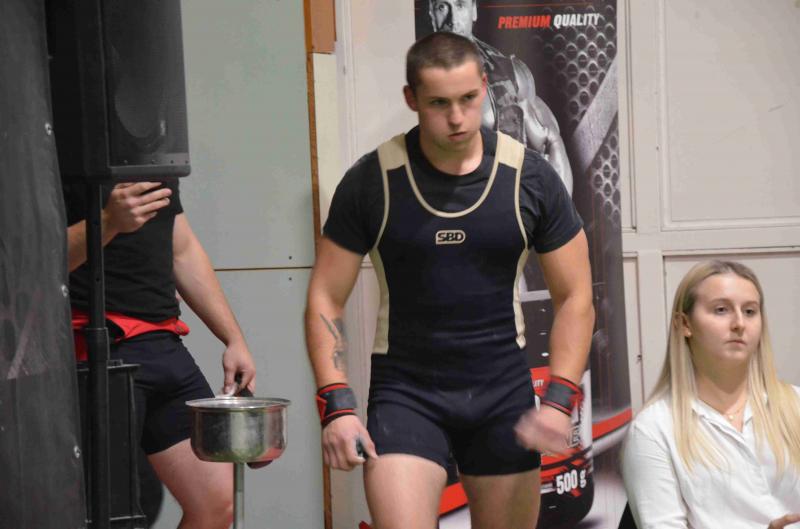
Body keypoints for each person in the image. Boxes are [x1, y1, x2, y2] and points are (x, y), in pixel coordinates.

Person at [305, 32, 594, 529]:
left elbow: (576, 296)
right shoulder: (373, 181)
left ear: (484, 85)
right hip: (407, 393)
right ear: (411, 99)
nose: (457, 117)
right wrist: (336, 405)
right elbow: (325, 298)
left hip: (501, 391)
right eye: (439, 103)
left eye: (467, 98)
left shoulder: (529, 177)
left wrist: (560, 399)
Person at [65, 180, 256, 529]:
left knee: (217, 501)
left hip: (164, 343)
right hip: (95, 349)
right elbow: (31, 261)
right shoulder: (54, 156)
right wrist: (108, 221)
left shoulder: (155, 160)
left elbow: (182, 250)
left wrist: (233, 338)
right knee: (106, 514)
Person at [621, 260, 800, 529]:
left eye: (750, 311)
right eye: (721, 310)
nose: (739, 323)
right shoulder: (653, 430)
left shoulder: (794, 405)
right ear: (684, 324)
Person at [427, 0, 573, 195]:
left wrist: (559, 213)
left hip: (507, 204)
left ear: (474, 11)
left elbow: (549, 141)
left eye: (460, 5)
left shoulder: (508, 72)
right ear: (431, 13)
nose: (452, 20)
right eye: (442, 7)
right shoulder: (417, 77)